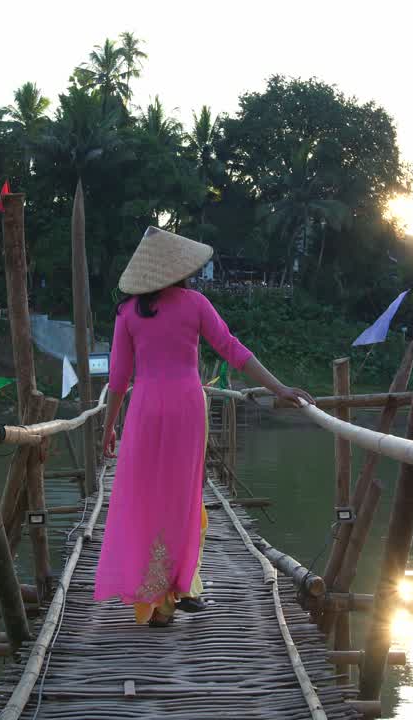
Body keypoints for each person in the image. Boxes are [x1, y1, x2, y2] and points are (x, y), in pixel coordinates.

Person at [92, 227, 313, 627]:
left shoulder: (127, 314)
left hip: (143, 410)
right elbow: (232, 349)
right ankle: (177, 587)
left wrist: (109, 428)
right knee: (182, 497)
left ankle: (156, 596)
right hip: (186, 410)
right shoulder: (195, 303)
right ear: (180, 269)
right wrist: (278, 387)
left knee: (145, 496)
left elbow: (120, 378)